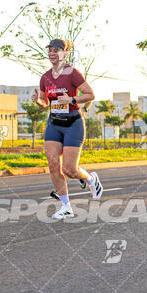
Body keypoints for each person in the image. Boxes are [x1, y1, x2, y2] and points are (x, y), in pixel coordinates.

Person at [32, 38, 103, 219]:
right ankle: (66, 207)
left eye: (56, 50)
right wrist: (38, 101)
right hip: (54, 123)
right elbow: (44, 102)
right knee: (53, 163)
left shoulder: (72, 73)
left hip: (73, 123)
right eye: (50, 50)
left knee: (70, 170)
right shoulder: (45, 77)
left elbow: (90, 94)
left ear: (65, 53)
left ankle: (90, 179)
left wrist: (71, 100)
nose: (52, 53)